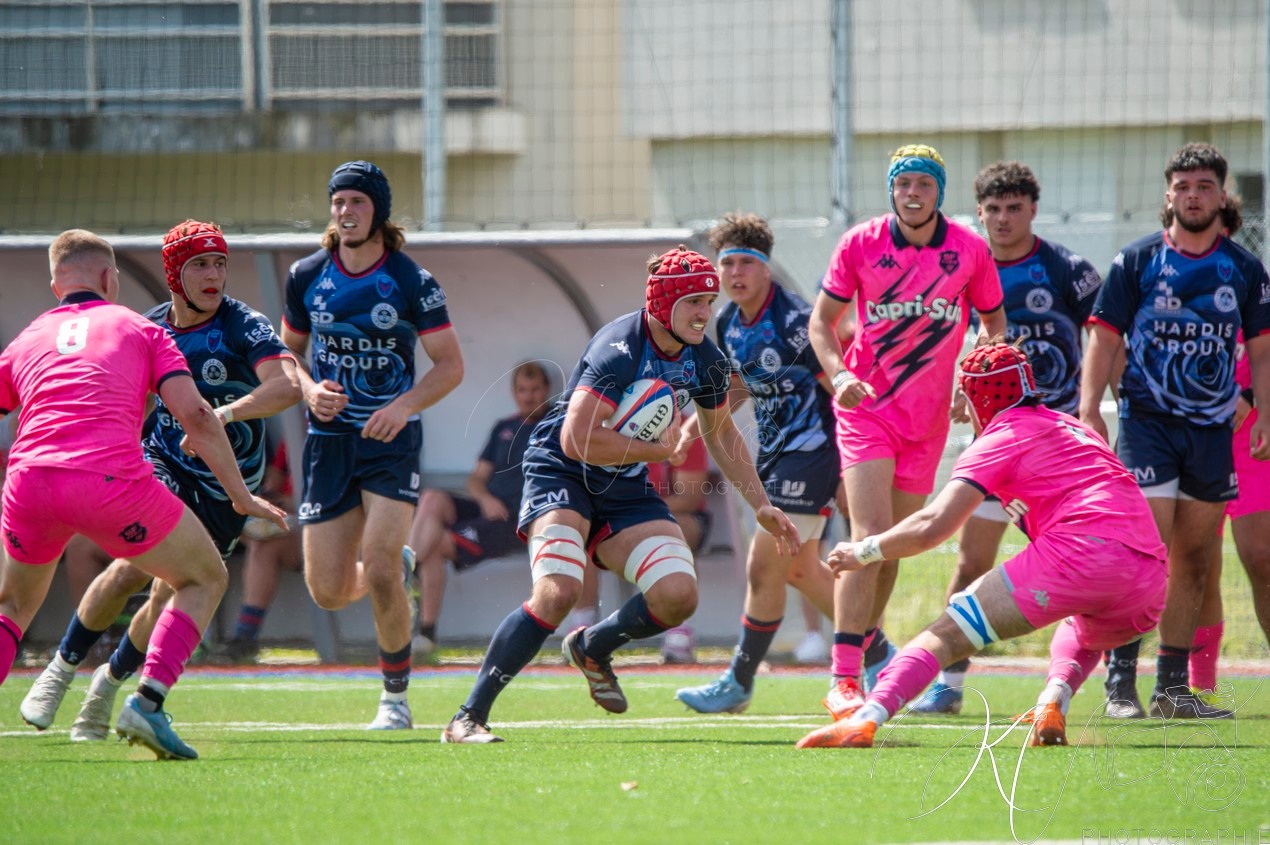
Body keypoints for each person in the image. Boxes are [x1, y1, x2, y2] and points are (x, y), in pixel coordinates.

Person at [440, 246, 800, 744]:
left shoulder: (706, 358)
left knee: (678, 596)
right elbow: (576, 440)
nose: (705, 312)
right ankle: (467, 716)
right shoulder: (619, 348)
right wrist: (656, 449)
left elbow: (720, 432)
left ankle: (592, 645)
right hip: (562, 470)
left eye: (709, 302)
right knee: (558, 592)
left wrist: (761, 503)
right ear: (664, 304)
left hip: (623, 480)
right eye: (694, 302)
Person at [0, 229, 288, 760]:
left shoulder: (243, 323)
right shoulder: (145, 326)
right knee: (151, 572)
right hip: (150, 467)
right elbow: (193, 415)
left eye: (219, 264)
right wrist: (243, 493)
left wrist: (229, 416)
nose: (213, 275)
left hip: (191, 481)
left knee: (157, 595)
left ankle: (105, 687)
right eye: (199, 265)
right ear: (115, 279)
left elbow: (285, 385)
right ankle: (70, 675)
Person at [796, 342, 1168, 749]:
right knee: (1082, 624)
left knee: (946, 634)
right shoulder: (1074, 426)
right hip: (1149, 578)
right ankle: (1052, 699)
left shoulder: (999, 437)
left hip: (1081, 552)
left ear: (978, 401)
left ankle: (865, 719)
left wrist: (863, 550)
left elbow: (932, 527)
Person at [808, 145, 1005, 721]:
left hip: (927, 422)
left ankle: (870, 657)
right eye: (903, 184)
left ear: (939, 192)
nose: (912, 193)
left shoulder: (969, 249)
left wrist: (974, 377)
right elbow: (821, 323)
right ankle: (843, 677)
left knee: (891, 550)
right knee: (868, 536)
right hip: (866, 410)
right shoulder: (861, 244)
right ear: (891, 191)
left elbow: (995, 321)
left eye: (923, 184)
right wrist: (840, 374)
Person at [1079, 142, 1270, 719]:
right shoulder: (1136, 261)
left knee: (1194, 559)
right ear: (1169, 195)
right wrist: (1089, 410)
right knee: (1144, 552)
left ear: (1221, 195)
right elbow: (1104, 338)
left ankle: (1171, 689)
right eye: (1183, 187)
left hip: (1211, 433)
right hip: (1148, 427)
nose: (1193, 196)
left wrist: (1263, 410)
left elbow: (1261, 350)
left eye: (1204, 186)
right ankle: (1119, 683)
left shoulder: (1243, 269)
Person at [914, 161, 1103, 714]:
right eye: (992, 209)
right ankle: (948, 685)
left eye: (1013, 208)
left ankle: (1105, 684)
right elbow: (945, 338)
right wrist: (957, 389)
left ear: (1032, 210)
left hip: (1061, 448)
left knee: (1085, 564)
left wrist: (1095, 410)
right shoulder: (963, 268)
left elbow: (1106, 340)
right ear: (979, 213)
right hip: (997, 446)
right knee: (971, 561)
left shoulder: (1066, 269)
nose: (1002, 218)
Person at [282, 160, 464, 730]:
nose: (346, 211)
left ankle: (395, 700)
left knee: (381, 570)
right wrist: (309, 389)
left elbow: (450, 365)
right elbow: (286, 356)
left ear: (377, 211)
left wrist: (403, 405)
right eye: (338, 201)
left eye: (357, 201)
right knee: (328, 591)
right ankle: (398, 565)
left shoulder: (412, 281)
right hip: (329, 444)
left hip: (391, 440)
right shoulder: (306, 275)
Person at [674, 212, 841, 713]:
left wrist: (853, 466)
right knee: (800, 571)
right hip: (773, 458)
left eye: (746, 263)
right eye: (727, 264)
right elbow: (739, 386)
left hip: (812, 454)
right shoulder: (728, 322)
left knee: (764, 564)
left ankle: (739, 680)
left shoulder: (797, 322)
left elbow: (838, 391)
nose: (735, 273)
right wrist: (692, 426)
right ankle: (886, 656)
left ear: (766, 268)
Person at [405, 360, 551, 657]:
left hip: (516, 521)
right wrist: (485, 499)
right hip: (489, 508)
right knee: (431, 498)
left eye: (535, 389)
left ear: (547, 390)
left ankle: (424, 626)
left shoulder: (555, 426)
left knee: (436, 544)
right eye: (522, 390)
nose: (529, 396)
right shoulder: (503, 427)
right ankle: (406, 570)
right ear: (514, 393)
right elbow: (475, 480)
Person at [220, 435, 302, 662]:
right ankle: (191, 635)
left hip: (318, 529)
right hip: (285, 521)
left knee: (264, 546)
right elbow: (274, 479)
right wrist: (270, 498)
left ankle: (245, 636)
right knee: (213, 528)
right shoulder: (298, 431)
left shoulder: (344, 430)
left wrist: (293, 501)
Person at [649, 432, 712, 664]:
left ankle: (680, 628)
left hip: (671, 517)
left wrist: (638, 510)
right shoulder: (608, 431)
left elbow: (688, 499)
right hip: (625, 519)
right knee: (584, 524)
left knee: (675, 528)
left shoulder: (685, 432)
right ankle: (582, 625)